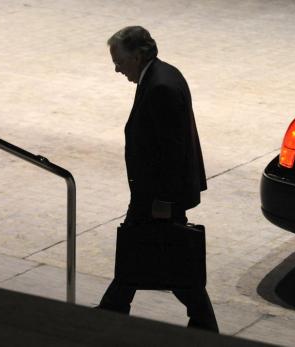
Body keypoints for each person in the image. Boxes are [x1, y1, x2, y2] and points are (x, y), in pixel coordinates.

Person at [96, 26, 219, 333]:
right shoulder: (162, 75)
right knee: (149, 251)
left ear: (138, 55)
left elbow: (171, 152)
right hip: (155, 193)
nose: (116, 68)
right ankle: (116, 308)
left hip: (158, 195)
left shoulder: (160, 86)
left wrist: (163, 201)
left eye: (119, 59)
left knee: (154, 251)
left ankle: (113, 311)